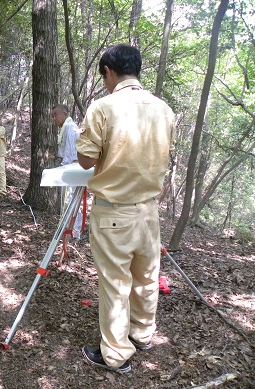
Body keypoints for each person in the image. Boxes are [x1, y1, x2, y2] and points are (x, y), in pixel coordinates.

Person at [75, 44, 175, 374]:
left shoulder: (104, 107)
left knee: (116, 284)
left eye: (103, 75)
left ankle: (117, 354)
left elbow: (87, 160)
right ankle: (142, 334)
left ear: (109, 71)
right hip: (148, 211)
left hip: (114, 211)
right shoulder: (164, 110)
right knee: (146, 278)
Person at [51, 104, 82, 239]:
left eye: (56, 115)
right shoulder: (67, 128)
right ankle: (70, 229)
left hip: (73, 168)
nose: (54, 118)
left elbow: (69, 153)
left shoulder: (69, 128)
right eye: (53, 116)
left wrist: (63, 170)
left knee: (70, 200)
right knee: (70, 200)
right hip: (73, 167)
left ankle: (73, 231)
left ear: (65, 114)